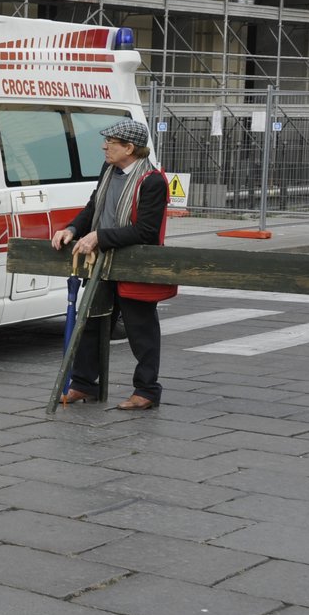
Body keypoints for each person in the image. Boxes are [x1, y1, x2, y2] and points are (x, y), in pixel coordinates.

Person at [51, 117, 173, 411]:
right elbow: (94, 206)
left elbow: (145, 230)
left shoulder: (152, 181)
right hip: (102, 263)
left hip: (134, 266)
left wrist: (100, 237)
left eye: (111, 143)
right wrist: (73, 229)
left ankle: (147, 390)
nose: (104, 146)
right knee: (90, 323)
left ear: (129, 148)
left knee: (140, 329)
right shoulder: (109, 169)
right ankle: (83, 384)